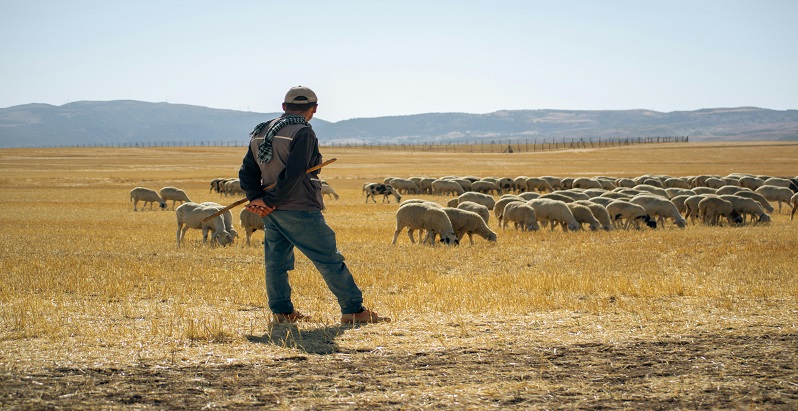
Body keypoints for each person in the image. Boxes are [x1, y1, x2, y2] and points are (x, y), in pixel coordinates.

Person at [238, 85, 390, 325]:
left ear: (284, 106)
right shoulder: (303, 132)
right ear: (314, 109)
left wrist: (258, 199)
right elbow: (295, 172)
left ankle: (282, 312)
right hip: (299, 207)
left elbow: (247, 171)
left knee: (276, 263)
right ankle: (353, 310)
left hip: (272, 212)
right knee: (328, 258)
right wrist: (268, 201)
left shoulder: (261, 131)